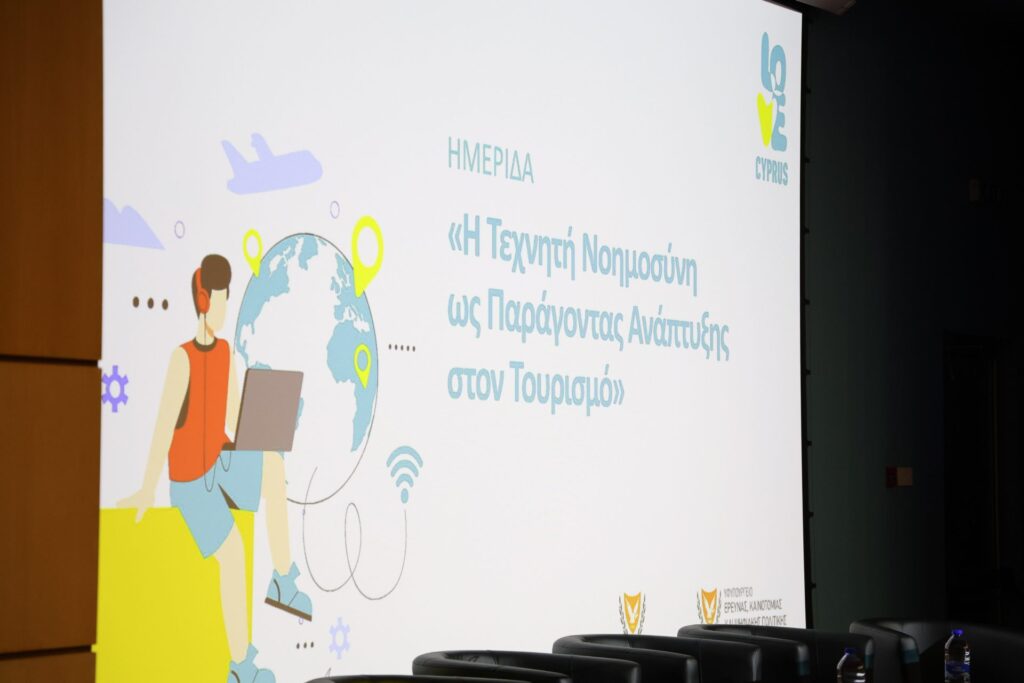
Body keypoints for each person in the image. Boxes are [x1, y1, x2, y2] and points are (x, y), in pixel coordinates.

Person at [119, 254, 312, 683]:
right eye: (222, 299)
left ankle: (283, 580)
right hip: (190, 481)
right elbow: (163, 428)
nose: (225, 308)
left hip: (220, 464)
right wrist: (147, 488)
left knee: (272, 465)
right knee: (233, 552)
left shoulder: (225, 352)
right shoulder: (181, 360)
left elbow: (234, 419)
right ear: (205, 300)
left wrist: (268, 426)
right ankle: (241, 666)